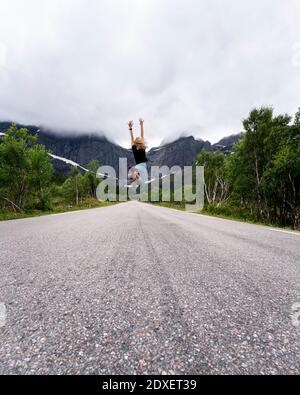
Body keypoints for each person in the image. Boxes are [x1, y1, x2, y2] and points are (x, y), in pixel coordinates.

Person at [128, 119, 148, 186]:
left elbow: (132, 138)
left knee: (134, 177)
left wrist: (130, 128)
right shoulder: (142, 146)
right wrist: (141, 124)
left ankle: (134, 176)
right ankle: (136, 176)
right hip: (143, 167)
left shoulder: (133, 147)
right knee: (143, 184)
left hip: (137, 166)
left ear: (135, 143)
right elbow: (142, 135)